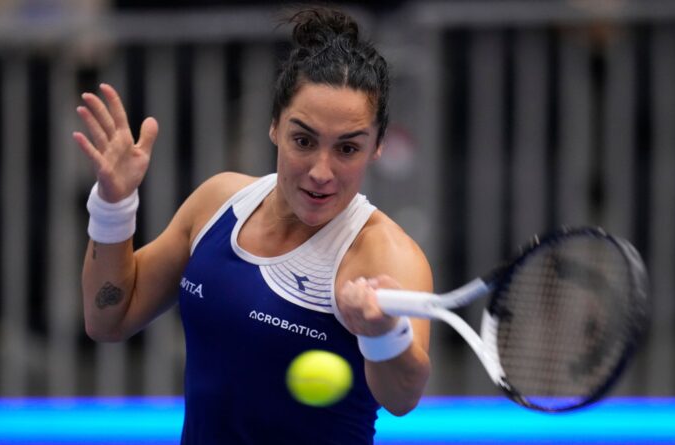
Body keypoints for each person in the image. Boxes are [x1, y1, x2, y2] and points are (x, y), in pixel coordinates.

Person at [73, 7, 432, 444]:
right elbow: (108, 319)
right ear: (275, 127)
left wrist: (384, 333)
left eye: (347, 148)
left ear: (377, 147)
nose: (322, 170)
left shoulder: (387, 256)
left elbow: (403, 398)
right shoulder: (217, 203)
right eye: (304, 140)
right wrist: (114, 204)